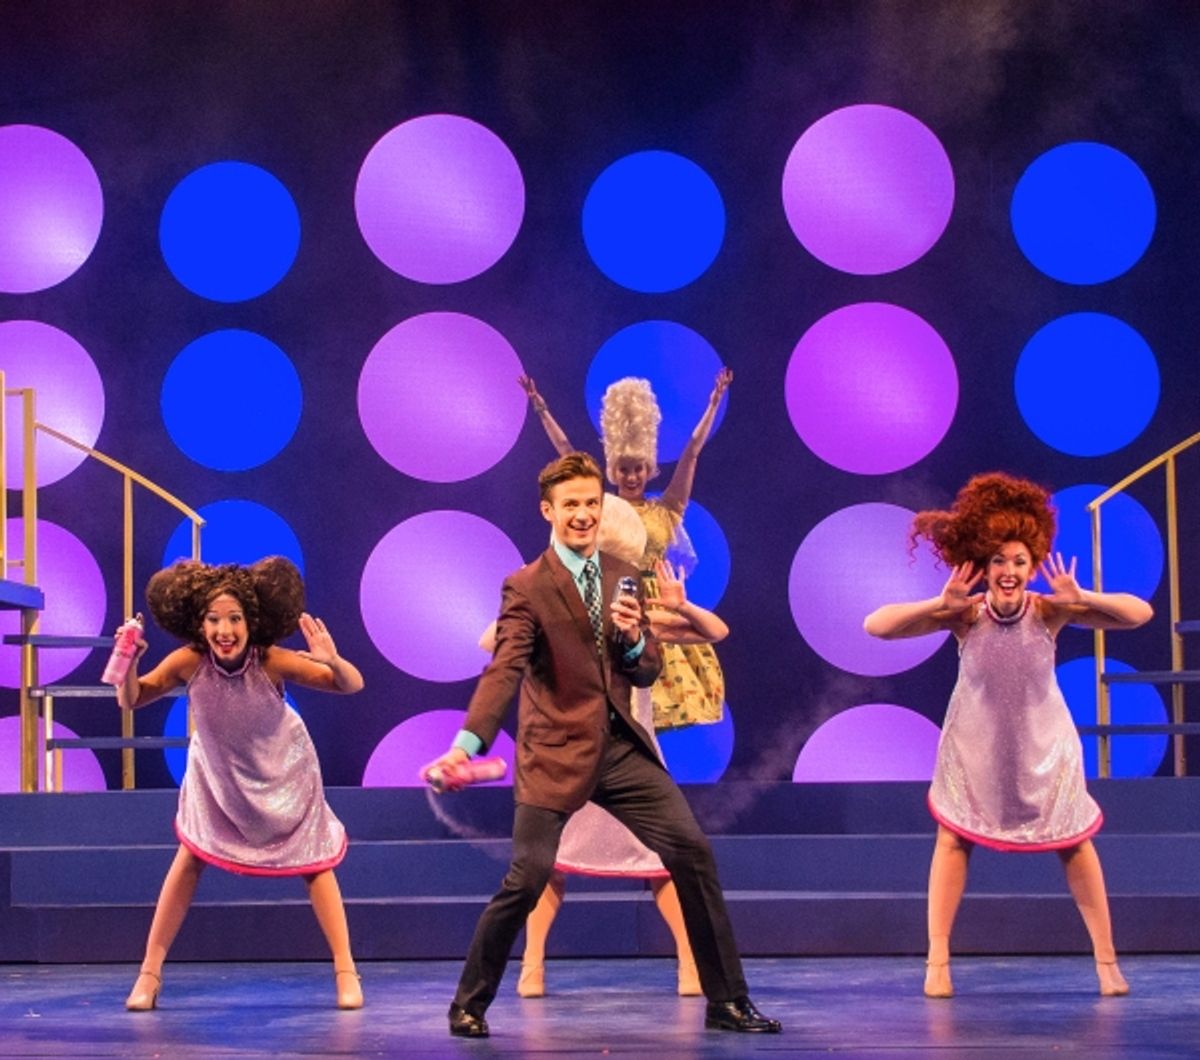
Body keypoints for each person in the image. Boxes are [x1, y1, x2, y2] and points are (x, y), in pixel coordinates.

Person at [423, 451, 779, 1038]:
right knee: (527, 877)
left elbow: (642, 672)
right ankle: (470, 1001)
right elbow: (505, 669)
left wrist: (638, 640)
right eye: (571, 505)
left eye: (592, 503)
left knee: (692, 853)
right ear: (549, 511)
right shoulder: (527, 586)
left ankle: (728, 1001)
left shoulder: (623, 574)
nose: (583, 514)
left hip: (619, 750)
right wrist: (467, 743)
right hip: (555, 753)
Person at [863, 472, 1152, 1000]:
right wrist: (937, 605)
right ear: (985, 566)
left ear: (1032, 564)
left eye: (1020, 561)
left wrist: (1082, 594)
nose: (1010, 571)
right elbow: (876, 626)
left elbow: (1140, 614)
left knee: (1076, 842)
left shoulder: (1050, 609)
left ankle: (1108, 964)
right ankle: (938, 961)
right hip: (975, 748)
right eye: (1000, 561)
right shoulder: (964, 615)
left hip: (1045, 747)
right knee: (953, 839)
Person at [479, 492, 729, 999]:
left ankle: (689, 965)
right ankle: (531, 966)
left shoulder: (638, 613)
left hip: (628, 752)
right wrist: (543, 588)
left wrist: (681, 607)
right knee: (547, 863)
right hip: (567, 751)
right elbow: (491, 641)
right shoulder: (550, 605)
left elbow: (716, 630)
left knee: (663, 862)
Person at [115, 556, 366, 1011]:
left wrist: (334, 661)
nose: (224, 629)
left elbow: (350, 685)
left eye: (234, 618)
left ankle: (346, 971)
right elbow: (131, 699)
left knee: (315, 863)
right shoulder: (188, 662)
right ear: (200, 623)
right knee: (189, 858)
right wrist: (127, 662)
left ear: (251, 622)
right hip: (218, 778)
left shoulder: (270, 661)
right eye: (214, 619)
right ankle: (148, 975)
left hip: (282, 771)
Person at [520, 369, 730, 730]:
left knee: (650, 704)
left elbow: (691, 453)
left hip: (657, 602)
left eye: (637, 469)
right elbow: (566, 451)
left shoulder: (666, 510)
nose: (631, 476)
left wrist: (713, 404)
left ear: (648, 470)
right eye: (623, 469)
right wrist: (540, 408)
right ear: (612, 471)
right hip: (609, 596)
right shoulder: (599, 504)